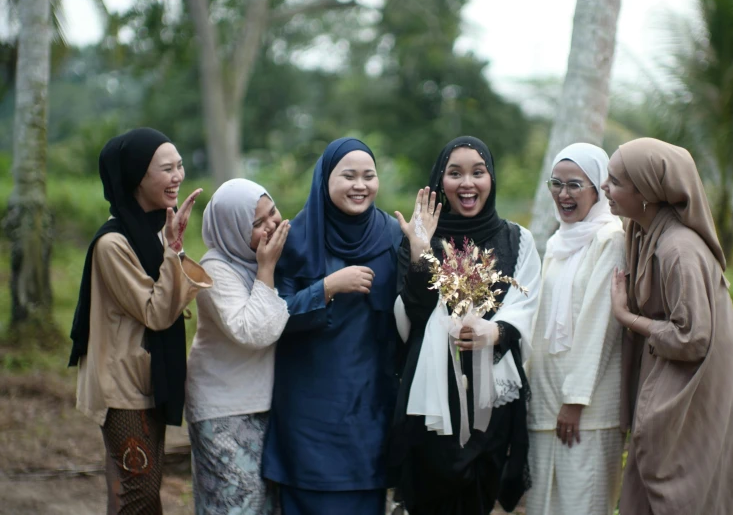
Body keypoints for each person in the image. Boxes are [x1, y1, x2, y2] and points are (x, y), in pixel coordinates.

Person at [604, 137, 733, 515]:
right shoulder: (641, 233)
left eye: (615, 181)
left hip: (698, 382)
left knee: (684, 490)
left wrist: (626, 317)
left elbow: (693, 338)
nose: (604, 187)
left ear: (648, 192)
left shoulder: (678, 250)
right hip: (671, 370)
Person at [390, 136, 541, 515]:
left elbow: (527, 303)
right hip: (431, 396)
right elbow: (409, 317)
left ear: (492, 179)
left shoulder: (517, 239)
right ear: (440, 182)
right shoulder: (419, 238)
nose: (467, 183)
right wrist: (421, 253)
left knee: (480, 495)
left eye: (478, 172)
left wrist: (495, 331)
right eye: (454, 173)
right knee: (430, 495)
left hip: (492, 397)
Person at [68, 128, 212, 514]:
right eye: (167, 169)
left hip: (147, 380)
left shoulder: (152, 232)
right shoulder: (112, 244)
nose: (178, 176)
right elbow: (157, 312)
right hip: (123, 389)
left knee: (129, 490)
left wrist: (171, 245)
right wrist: (175, 249)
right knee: (140, 492)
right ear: (137, 178)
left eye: (180, 166)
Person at [261, 137, 403, 515]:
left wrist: (422, 258)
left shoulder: (393, 237)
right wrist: (326, 288)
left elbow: (412, 315)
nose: (361, 185)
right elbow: (272, 317)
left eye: (369, 176)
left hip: (370, 407)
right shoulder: (297, 239)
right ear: (325, 179)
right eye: (349, 176)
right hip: (309, 408)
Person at [525, 143, 625, 515]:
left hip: (589, 408)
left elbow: (601, 323)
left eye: (575, 185)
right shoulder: (557, 242)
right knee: (543, 504)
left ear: (598, 189)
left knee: (584, 501)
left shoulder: (610, 239)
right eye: (557, 183)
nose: (563, 194)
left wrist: (575, 400)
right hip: (546, 399)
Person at [185, 179, 290, 514]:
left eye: (272, 212)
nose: (272, 224)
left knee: (263, 504)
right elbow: (254, 332)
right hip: (223, 407)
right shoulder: (215, 269)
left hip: (262, 401)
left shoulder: (262, 258)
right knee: (236, 504)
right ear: (231, 230)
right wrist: (267, 268)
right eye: (257, 223)